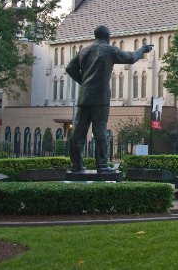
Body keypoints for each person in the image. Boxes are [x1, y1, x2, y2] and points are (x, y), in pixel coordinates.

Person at [65, 25, 152, 172]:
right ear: (107, 36)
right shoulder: (109, 50)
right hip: (100, 97)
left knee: (78, 131)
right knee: (100, 130)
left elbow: (70, 68)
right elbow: (131, 58)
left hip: (84, 96)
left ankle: (76, 165)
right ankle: (102, 165)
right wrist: (142, 50)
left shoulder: (84, 50)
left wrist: (84, 82)